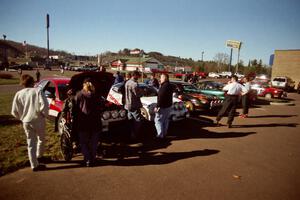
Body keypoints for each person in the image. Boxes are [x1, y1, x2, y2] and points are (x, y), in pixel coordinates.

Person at [11, 74, 49, 171]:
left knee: (31, 142)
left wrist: (22, 118)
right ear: (32, 82)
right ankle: (39, 156)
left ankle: (34, 164)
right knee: (41, 139)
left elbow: (14, 111)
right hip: (38, 119)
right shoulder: (38, 91)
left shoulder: (18, 94)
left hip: (26, 121)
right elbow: (44, 104)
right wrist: (44, 114)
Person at [74, 78, 102, 167]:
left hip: (83, 122)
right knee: (94, 143)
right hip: (95, 122)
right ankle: (92, 158)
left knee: (83, 142)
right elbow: (100, 108)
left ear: (83, 85)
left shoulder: (79, 95)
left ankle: (87, 159)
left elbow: (75, 109)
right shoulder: (97, 95)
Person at [124, 70, 144, 140]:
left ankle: (130, 133)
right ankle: (135, 134)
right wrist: (142, 92)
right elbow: (138, 94)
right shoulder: (134, 84)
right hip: (134, 105)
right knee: (137, 120)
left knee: (130, 120)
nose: (139, 77)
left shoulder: (127, 82)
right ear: (135, 75)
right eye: (138, 76)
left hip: (127, 105)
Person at [154, 73, 173, 140]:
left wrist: (157, 106)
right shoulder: (170, 85)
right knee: (165, 121)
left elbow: (160, 97)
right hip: (168, 106)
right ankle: (164, 133)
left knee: (158, 121)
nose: (160, 79)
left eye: (161, 78)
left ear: (165, 78)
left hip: (163, 107)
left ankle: (160, 135)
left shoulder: (164, 86)